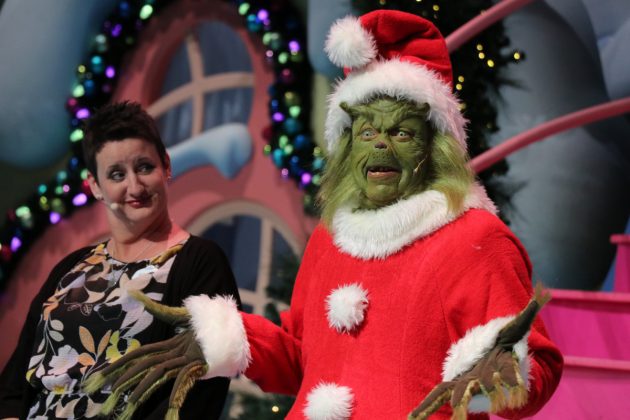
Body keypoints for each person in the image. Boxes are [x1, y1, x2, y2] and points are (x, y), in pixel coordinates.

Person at [88, 11, 564, 420]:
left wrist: (505, 371)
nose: (380, 145)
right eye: (366, 132)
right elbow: (301, 360)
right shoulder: (331, 238)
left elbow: (535, 367)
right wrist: (226, 336)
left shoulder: (474, 237)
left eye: (401, 133)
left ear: (434, 146)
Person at [0, 101, 240, 419]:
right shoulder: (70, 268)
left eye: (145, 167)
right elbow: (14, 386)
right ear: (95, 186)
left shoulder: (200, 263)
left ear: (166, 166)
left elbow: (197, 391)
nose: (134, 186)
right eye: (117, 174)